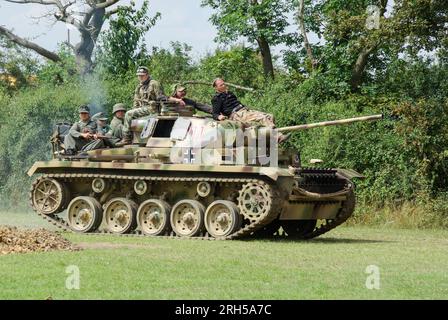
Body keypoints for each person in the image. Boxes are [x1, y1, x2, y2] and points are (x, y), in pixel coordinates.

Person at [116, 67, 184, 146]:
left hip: (152, 109)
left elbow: (162, 97)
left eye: (142, 75)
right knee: (130, 115)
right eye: (138, 75)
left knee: (128, 114)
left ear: (147, 75)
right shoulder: (139, 87)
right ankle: (132, 138)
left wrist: (177, 100)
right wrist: (135, 110)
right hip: (142, 109)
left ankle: (126, 138)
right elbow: (136, 101)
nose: (140, 77)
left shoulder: (154, 83)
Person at [211, 78, 288, 143]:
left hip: (245, 110)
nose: (224, 86)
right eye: (221, 85)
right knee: (262, 118)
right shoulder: (216, 98)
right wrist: (219, 116)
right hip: (237, 115)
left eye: (224, 84)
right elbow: (214, 114)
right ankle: (278, 136)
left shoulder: (229, 93)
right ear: (216, 88)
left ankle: (270, 140)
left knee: (270, 116)